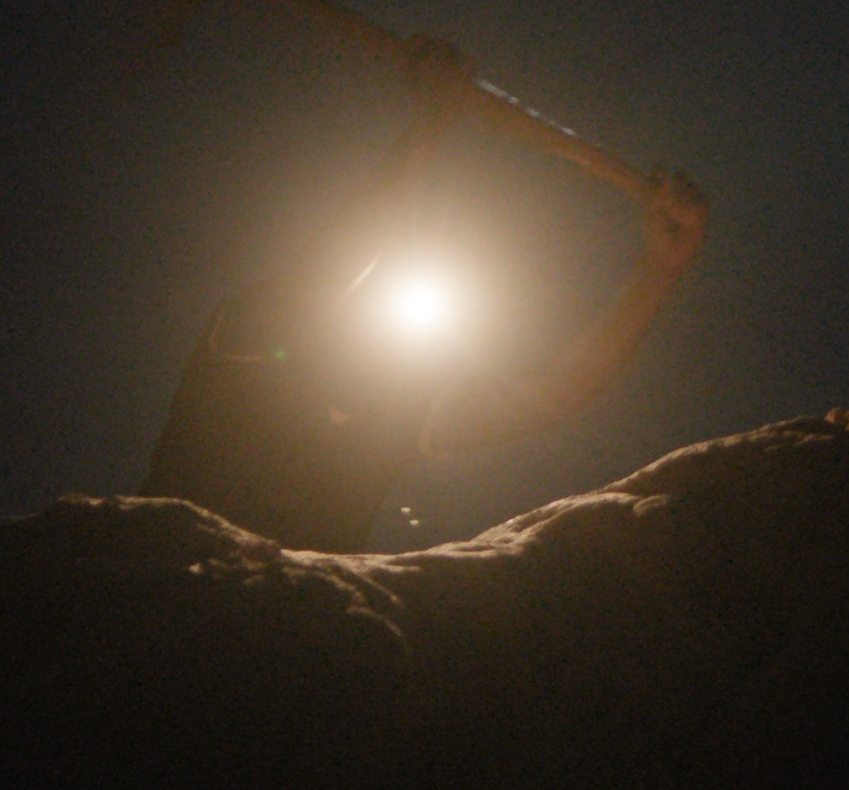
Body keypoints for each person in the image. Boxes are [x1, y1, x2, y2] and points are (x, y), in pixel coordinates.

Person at [140, 36, 709, 552]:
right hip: (163, 586)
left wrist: (661, 269)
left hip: (289, 634)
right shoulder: (253, 338)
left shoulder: (397, 415)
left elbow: (555, 394)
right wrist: (433, 123)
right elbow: (337, 253)